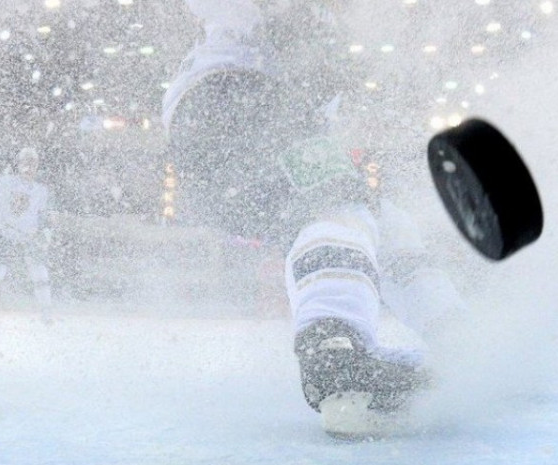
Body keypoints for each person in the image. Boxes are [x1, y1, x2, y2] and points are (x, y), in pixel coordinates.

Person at [162, 0, 468, 437]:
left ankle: (457, 337)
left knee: (382, 221)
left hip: (245, 121)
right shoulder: (264, 28)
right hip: (233, 98)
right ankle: (334, 350)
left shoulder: (317, 48)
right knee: (339, 208)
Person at [0, 147, 54, 323]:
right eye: (26, 162)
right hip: (7, 234)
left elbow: (43, 216)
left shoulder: (40, 191)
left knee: (39, 273)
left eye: (33, 163)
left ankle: (46, 311)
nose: (29, 167)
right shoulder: (5, 183)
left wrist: (44, 234)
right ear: (18, 164)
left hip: (29, 237)